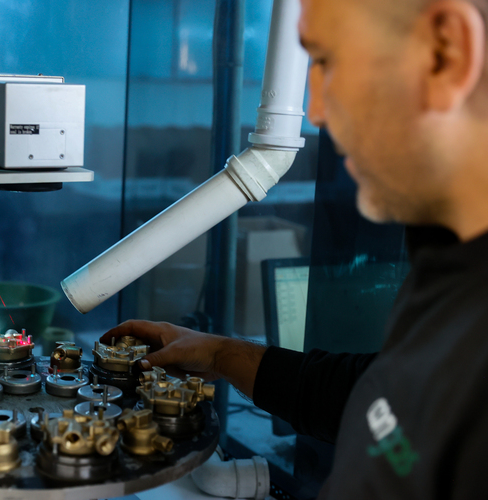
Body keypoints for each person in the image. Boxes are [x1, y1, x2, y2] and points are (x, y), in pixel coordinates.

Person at [102, 0, 488, 497]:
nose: (319, 111)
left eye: (329, 61)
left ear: (447, 53)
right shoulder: (450, 267)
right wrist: (218, 354)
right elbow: (377, 396)